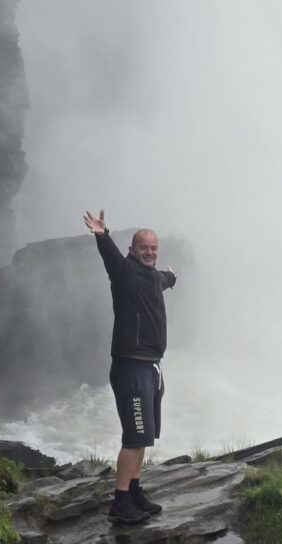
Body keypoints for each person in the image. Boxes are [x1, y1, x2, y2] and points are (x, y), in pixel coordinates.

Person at [83, 208, 177, 526]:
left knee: (145, 437)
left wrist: (172, 277)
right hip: (130, 367)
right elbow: (111, 260)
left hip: (151, 368)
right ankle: (120, 502)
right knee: (134, 437)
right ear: (133, 250)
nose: (149, 253)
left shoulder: (153, 277)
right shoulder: (125, 274)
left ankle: (135, 491)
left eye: (153, 248)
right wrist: (102, 235)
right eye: (143, 248)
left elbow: (163, 279)